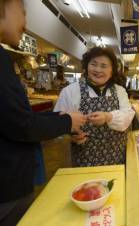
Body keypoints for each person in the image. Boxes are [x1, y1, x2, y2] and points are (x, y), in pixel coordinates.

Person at [0, 1, 87, 225]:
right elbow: (21, 124)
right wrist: (67, 121)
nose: (25, 23)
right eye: (22, 12)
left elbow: (14, 117)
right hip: (6, 186)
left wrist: (63, 119)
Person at [54, 47, 135, 167]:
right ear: (87, 66)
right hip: (85, 158)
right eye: (93, 64)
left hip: (116, 157)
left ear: (112, 70)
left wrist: (108, 117)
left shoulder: (119, 91)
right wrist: (70, 136)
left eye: (103, 66)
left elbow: (128, 115)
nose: (98, 69)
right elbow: (57, 124)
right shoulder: (70, 91)